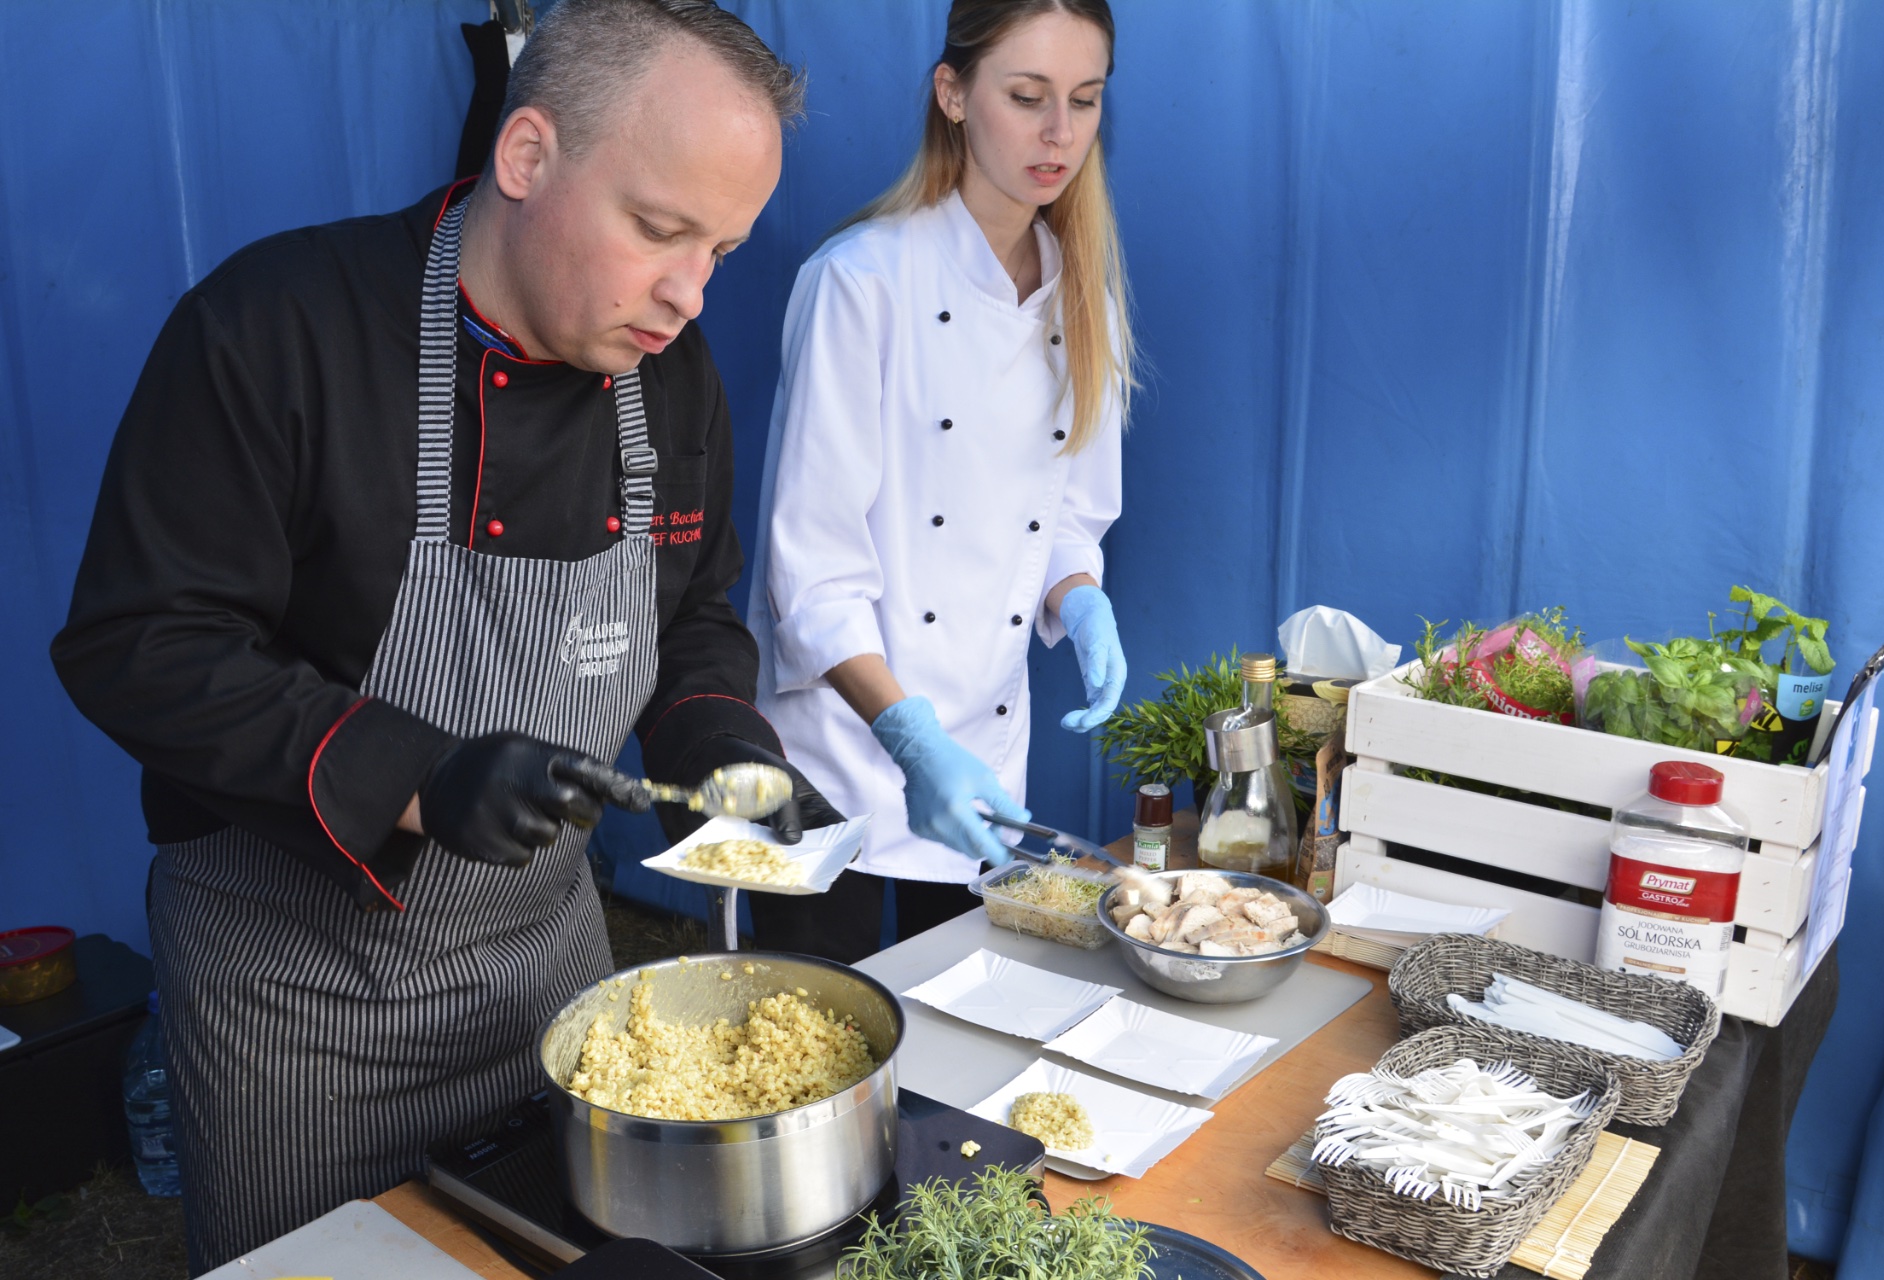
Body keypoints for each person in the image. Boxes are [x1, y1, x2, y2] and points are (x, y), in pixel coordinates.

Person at [50, 1, 836, 1270]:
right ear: (526, 156)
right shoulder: (275, 328)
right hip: (297, 1003)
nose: (688, 295)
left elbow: (691, 610)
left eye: (722, 251)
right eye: (659, 229)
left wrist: (724, 749)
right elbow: (141, 640)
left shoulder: (670, 377)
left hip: (550, 973)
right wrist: (417, 775)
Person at [745, 0, 1134, 963]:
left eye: (1084, 100)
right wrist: (912, 742)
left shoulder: (1085, 298)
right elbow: (812, 574)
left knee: (961, 1024)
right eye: (1028, 97)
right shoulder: (860, 282)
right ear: (953, 94)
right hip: (836, 740)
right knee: (812, 1030)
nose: (1059, 133)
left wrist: (1081, 598)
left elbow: (1065, 519)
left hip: (980, 748)